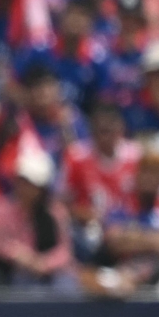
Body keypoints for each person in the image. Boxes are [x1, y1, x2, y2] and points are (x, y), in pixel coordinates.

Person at [88, 148, 159, 298]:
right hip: (124, 267)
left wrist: (138, 237)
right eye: (145, 172)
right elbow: (115, 241)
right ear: (136, 175)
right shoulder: (121, 206)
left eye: (155, 173)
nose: (149, 178)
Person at [0, 147, 75, 289]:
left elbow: (64, 251)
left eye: (30, 183)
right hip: (17, 272)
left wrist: (44, 263)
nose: (24, 187)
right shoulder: (2, 209)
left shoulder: (56, 212)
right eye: (21, 181)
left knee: (66, 286)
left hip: (52, 271)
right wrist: (19, 254)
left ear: (41, 188)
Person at [60, 104, 142, 260]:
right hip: (90, 229)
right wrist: (85, 214)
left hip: (131, 226)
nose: (107, 137)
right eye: (102, 131)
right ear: (92, 132)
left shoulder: (136, 156)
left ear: (121, 129)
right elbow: (63, 204)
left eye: (112, 131)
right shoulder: (76, 157)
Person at [15, 0, 111, 111]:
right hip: (35, 115)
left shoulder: (97, 60)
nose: (76, 20)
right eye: (72, 14)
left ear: (91, 24)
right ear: (63, 18)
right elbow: (11, 83)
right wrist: (36, 106)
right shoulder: (40, 48)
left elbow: (103, 101)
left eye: (82, 16)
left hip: (76, 121)